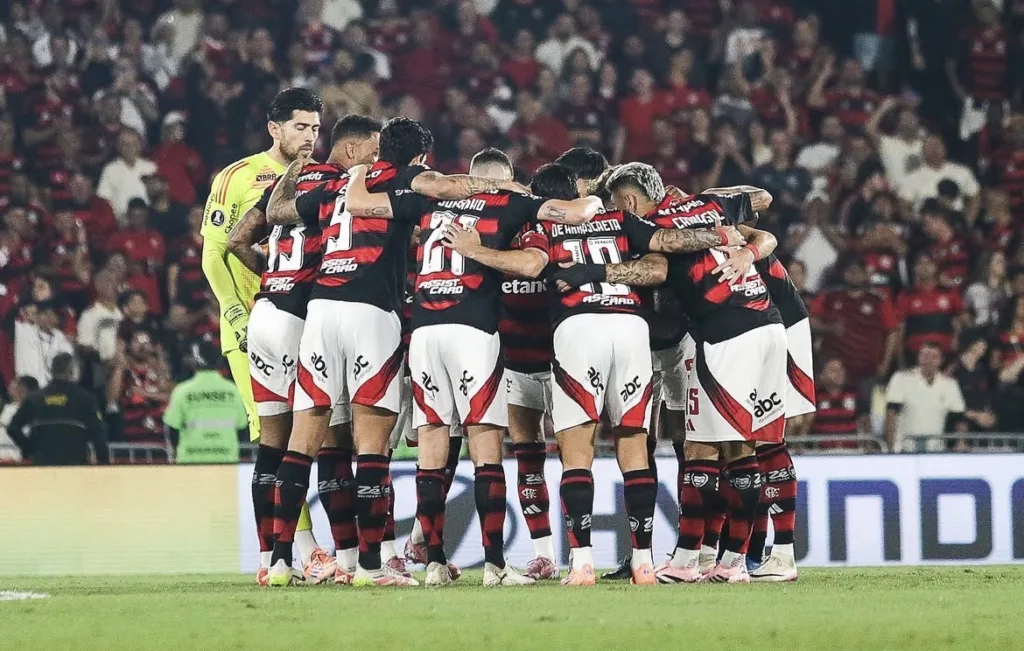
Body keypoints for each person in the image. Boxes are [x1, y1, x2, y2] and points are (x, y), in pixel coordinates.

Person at [262, 117, 522, 588]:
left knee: (302, 443)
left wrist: (294, 168)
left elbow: (276, 213)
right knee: (372, 447)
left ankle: (279, 562)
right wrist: (503, 185)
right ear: (418, 157)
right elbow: (447, 186)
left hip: (321, 312)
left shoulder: (334, 186)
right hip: (371, 313)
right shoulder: (406, 181)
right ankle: (369, 567)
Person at [344, 141, 605, 587]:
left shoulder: (429, 197)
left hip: (424, 331)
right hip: (473, 330)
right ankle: (495, 567)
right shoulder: (511, 202)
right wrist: (591, 195)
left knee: (431, 450)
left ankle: (433, 564)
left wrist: (355, 172)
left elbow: (358, 204)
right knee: (485, 450)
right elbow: (580, 213)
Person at [591, 162, 781, 584]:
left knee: (700, 449)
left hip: (723, 334)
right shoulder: (710, 202)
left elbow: (657, 270)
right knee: (741, 447)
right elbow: (763, 197)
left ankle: (688, 560)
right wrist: (732, 233)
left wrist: (589, 273)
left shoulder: (656, 226)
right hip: (767, 323)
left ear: (628, 200)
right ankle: (732, 561)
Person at [229, 115, 383, 586]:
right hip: (303, 317)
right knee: (329, 438)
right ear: (353, 152)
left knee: (271, 446)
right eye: (373, 152)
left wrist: (274, 272)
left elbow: (236, 239)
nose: (376, 161)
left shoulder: (285, 185)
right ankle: (346, 558)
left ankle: (269, 561)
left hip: (265, 313)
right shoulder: (343, 187)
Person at [200, 88, 331, 583]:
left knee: (306, 437)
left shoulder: (320, 180)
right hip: (255, 326)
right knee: (271, 436)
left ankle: (285, 554)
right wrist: (235, 311)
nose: (309, 137)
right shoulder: (237, 177)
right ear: (274, 128)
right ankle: (297, 550)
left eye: (316, 128)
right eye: (301, 127)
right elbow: (215, 252)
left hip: (304, 321)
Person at [7, 353, 109, 466]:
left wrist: (29, 449)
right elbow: (98, 434)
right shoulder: (85, 399)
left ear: (51, 371)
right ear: (72, 372)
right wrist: (104, 462)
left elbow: (13, 428)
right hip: (75, 465)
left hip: (42, 465)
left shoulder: (34, 398)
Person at [163, 341, 247, 464]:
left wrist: (174, 453)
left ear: (195, 362)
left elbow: (171, 428)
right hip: (226, 460)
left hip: (190, 460)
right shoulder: (233, 391)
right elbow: (242, 427)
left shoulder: (182, 391)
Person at [885, 343, 966, 452]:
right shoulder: (901, 378)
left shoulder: (950, 384)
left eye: (934, 357)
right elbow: (891, 414)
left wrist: (960, 442)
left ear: (941, 360)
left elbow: (959, 417)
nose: (929, 361)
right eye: (925, 356)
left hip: (936, 450)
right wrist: (891, 448)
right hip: (904, 450)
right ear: (919, 357)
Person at [0, 376, 39, 462]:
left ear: (23, 389)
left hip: (17, 459)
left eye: (13, 383)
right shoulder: (4, 408)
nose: (9, 386)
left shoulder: (29, 413)